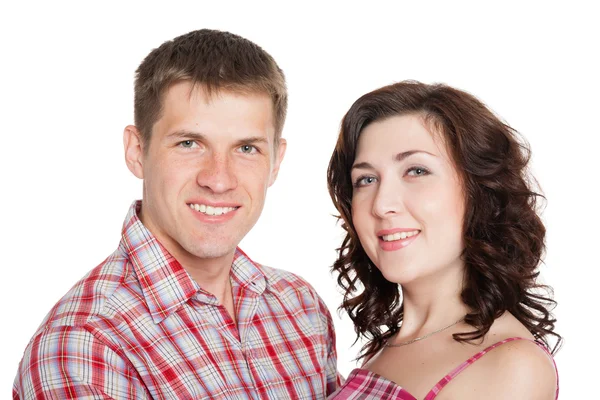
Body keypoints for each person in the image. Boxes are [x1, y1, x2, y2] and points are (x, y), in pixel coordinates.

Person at [13, 29, 340, 399]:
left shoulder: (300, 308)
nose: (218, 179)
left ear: (276, 162)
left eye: (246, 148)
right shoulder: (84, 348)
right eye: (189, 143)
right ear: (137, 150)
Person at [326, 81, 561, 399]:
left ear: (480, 192)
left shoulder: (508, 365)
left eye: (416, 171)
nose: (382, 205)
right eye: (366, 179)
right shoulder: (383, 349)